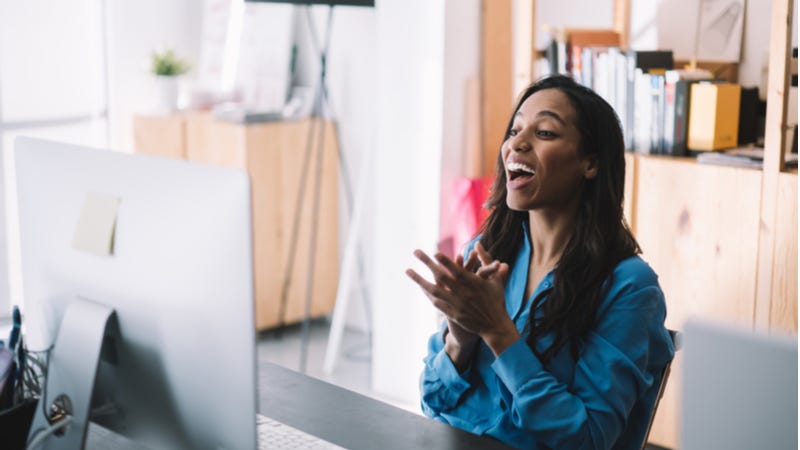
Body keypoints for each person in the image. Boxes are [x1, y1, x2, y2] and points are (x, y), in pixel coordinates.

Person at [405, 74, 675, 450]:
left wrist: (499, 333)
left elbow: (590, 439)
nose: (517, 143)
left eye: (545, 132)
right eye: (514, 130)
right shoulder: (485, 251)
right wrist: (460, 343)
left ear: (591, 163)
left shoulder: (629, 286)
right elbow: (433, 401)